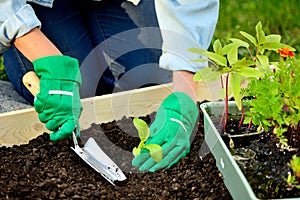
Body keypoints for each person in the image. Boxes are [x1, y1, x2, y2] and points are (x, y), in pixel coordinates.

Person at [0, 0, 219, 172]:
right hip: (35, 4)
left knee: (147, 77)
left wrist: (185, 88)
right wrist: (36, 47)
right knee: (80, 93)